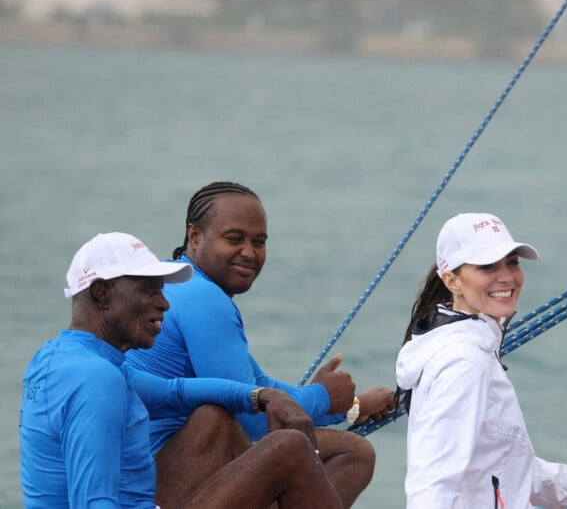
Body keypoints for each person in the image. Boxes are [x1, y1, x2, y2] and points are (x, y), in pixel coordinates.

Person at [19, 231, 344, 509]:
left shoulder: (60, 358)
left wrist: (264, 397)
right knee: (289, 448)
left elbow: (175, 392)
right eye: (149, 289)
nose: (164, 303)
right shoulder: (97, 379)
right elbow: (93, 502)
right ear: (102, 293)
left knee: (213, 416)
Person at [125, 181, 396, 508]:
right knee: (353, 453)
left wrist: (350, 407)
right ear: (195, 236)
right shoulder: (204, 298)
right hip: (156, 481)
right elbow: (251, 418)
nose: (249, 253)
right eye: (234, 239)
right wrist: (323, 398)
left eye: (259, 241)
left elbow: (257, 387)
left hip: (156, 469)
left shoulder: (173, 278)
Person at [395, 212, 567, 508]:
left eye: (512, 262)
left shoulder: (464, 344)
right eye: (487, 266)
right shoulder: (465, 361)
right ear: (451, 280)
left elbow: (510, 470)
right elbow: (434, 482)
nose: (506, 276)